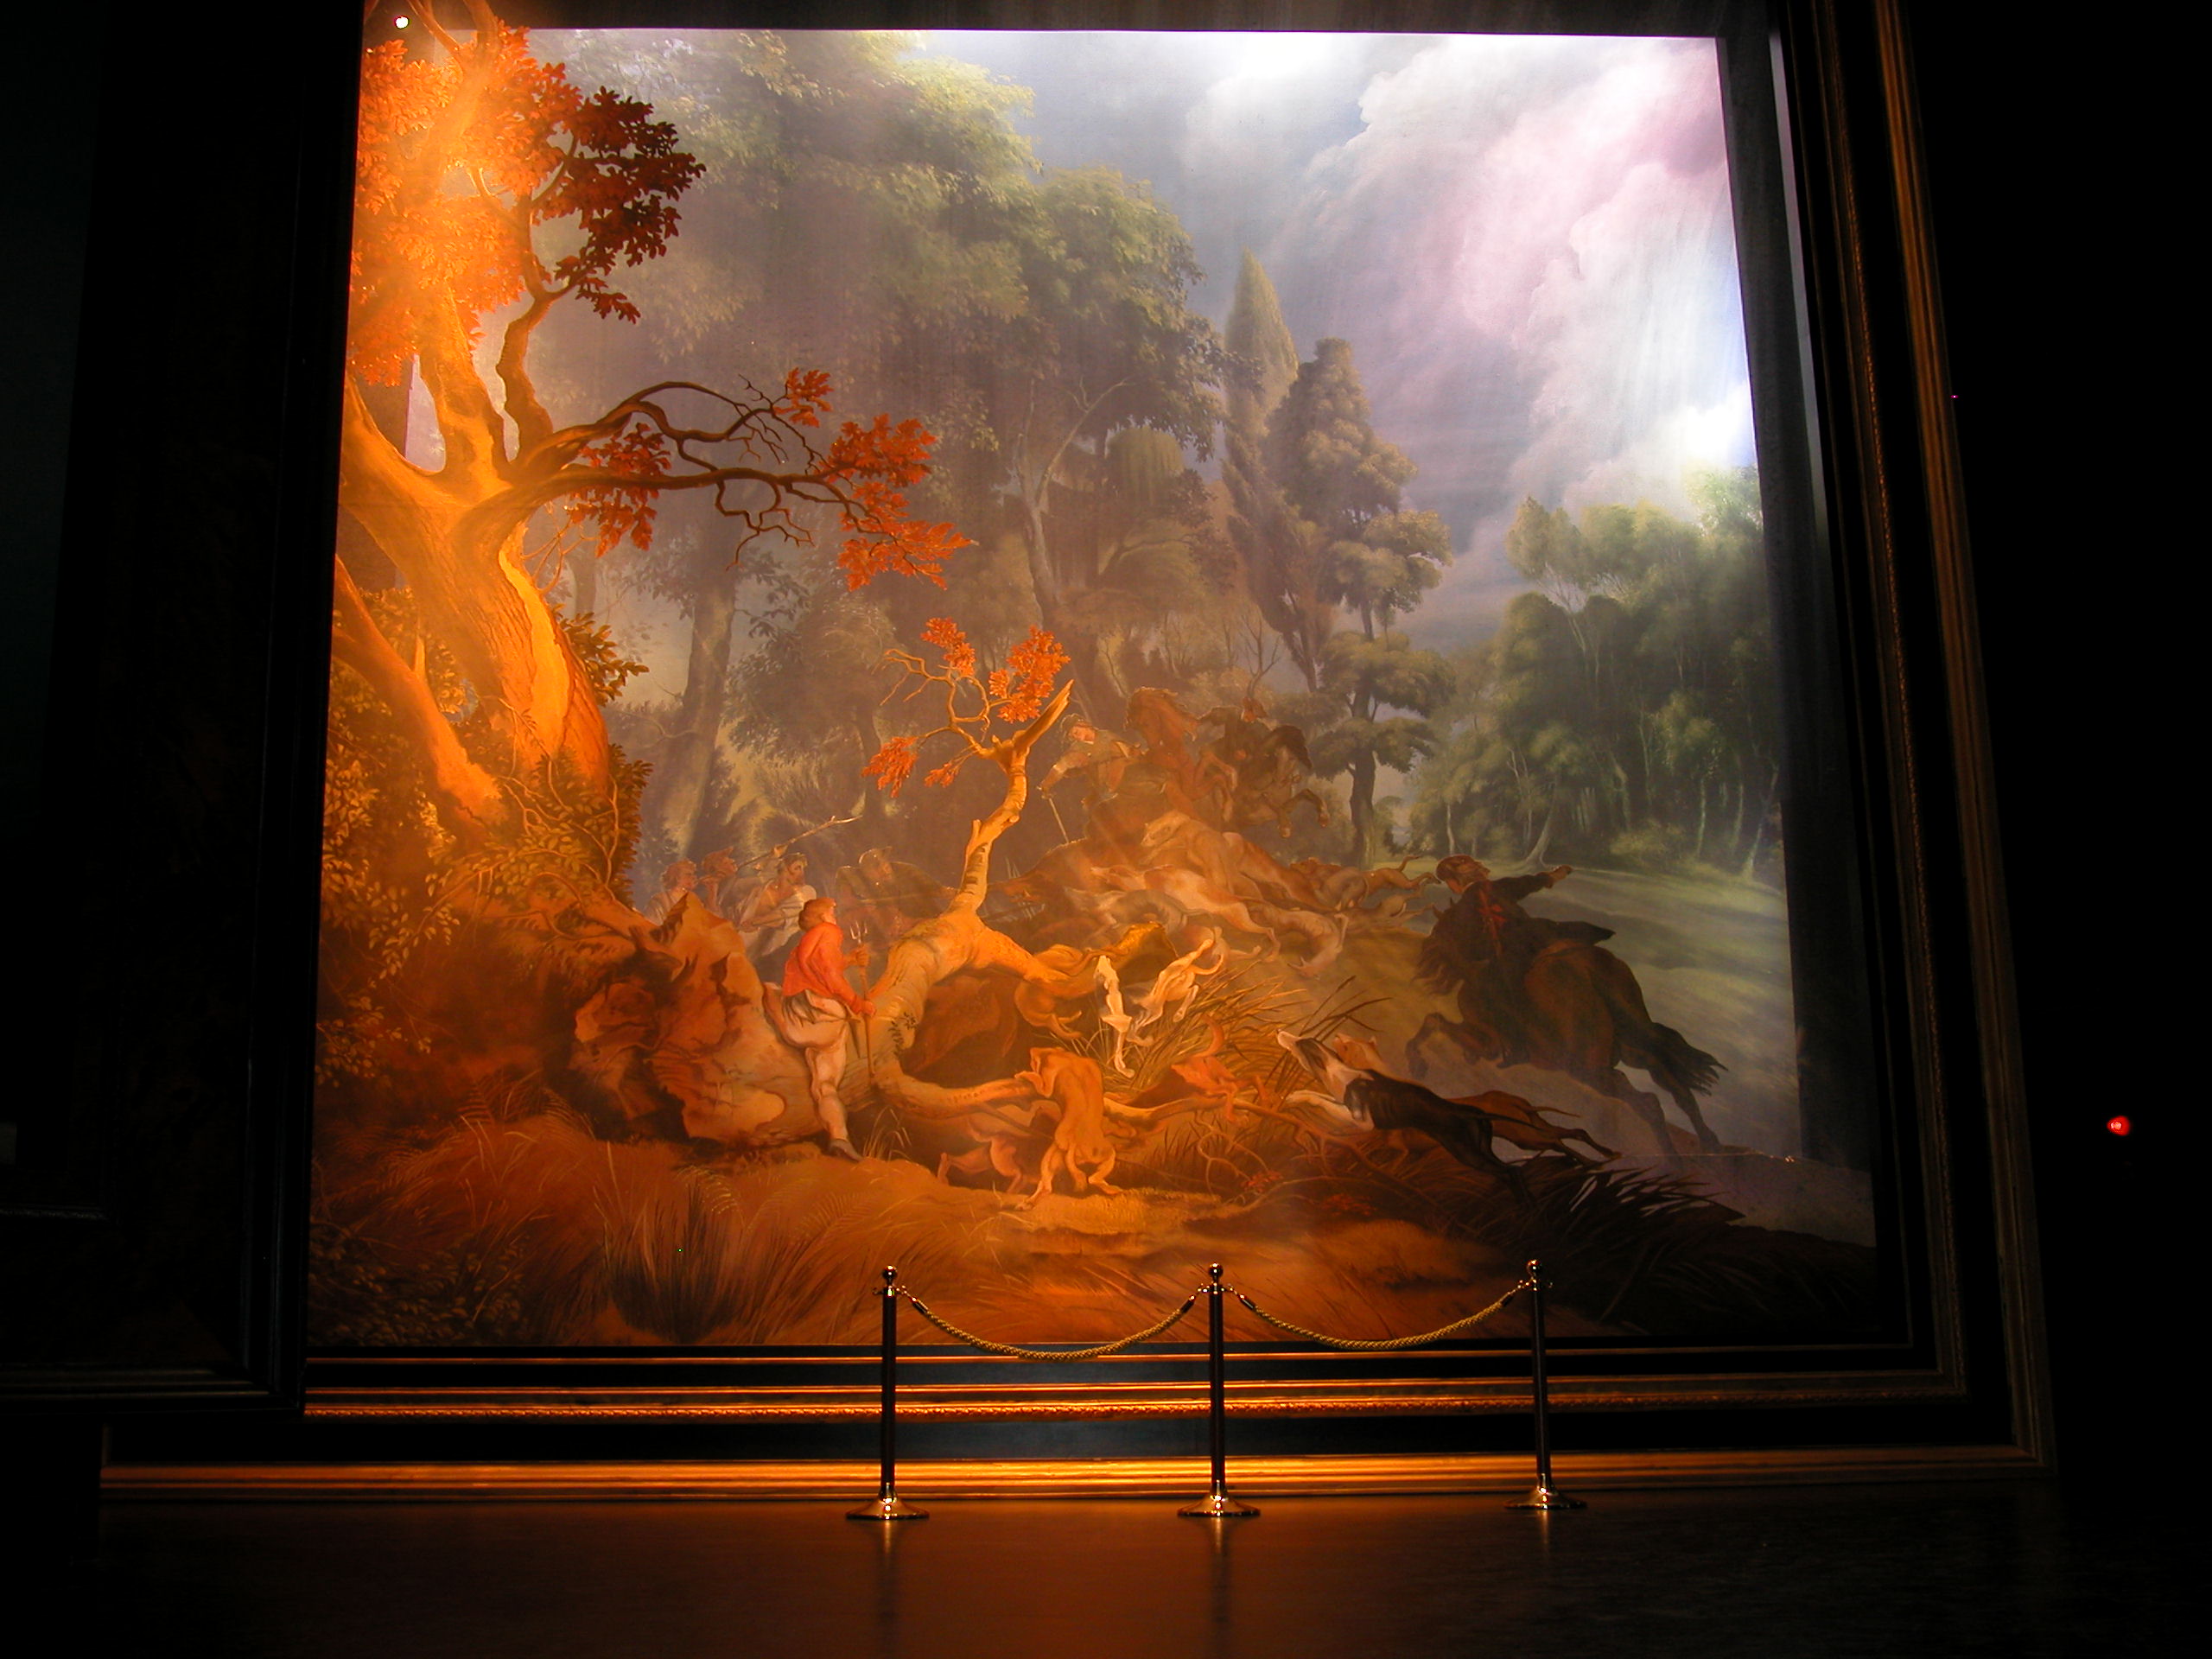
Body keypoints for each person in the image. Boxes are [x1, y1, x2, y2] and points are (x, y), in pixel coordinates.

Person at [1417, 856, 1609, 1064]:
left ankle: (1517, 1046)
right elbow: (1534, 882)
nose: (1450, 886)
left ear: (1454, 882)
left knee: (1495, 994)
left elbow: (1471, 950)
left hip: (1514, 953)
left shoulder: (1462, 909)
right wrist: (1559, 873)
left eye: (1448, 882)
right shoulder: (1500, 887)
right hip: (1540, 935)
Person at [766, 895, 874, 1160]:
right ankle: (839, 1137)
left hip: (799, 1018)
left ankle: (839, 1138)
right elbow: (830, 975)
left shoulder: (809, 940)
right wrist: (858, 1003)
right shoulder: (828, 931)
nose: (835, 918)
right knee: (826, 1086)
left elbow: (822, 967)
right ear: (824, 916)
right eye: (832, 913)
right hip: (824, 1018)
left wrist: (849, 960)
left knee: (769, 991)